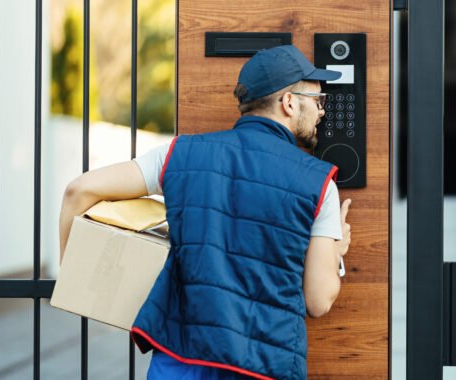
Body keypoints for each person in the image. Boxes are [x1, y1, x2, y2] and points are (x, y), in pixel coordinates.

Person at [58, 45, 352, 380]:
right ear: (288, 102)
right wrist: (335, 253)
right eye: (317, 101)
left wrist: (74, 283)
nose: (322, 112)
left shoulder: (178, 154)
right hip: (265, 365)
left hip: (179, 359)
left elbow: (77, 191)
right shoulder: (318, 182)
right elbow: (318, 300)